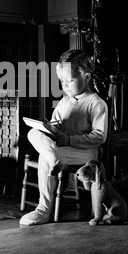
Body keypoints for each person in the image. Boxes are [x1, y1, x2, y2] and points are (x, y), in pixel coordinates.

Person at [19, 49, 108, 226]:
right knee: (32, 133)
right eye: (62, 81)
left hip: (85, 153)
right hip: (62, 150)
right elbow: (56, 126)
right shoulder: (64, 102)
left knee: (45, 158)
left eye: (70, 80)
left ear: (87, 78)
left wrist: (69, 140)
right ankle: (55, 158)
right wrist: (49, 128)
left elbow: (99, 137)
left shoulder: (96, 103)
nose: (65, 85)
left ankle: (44, 210)